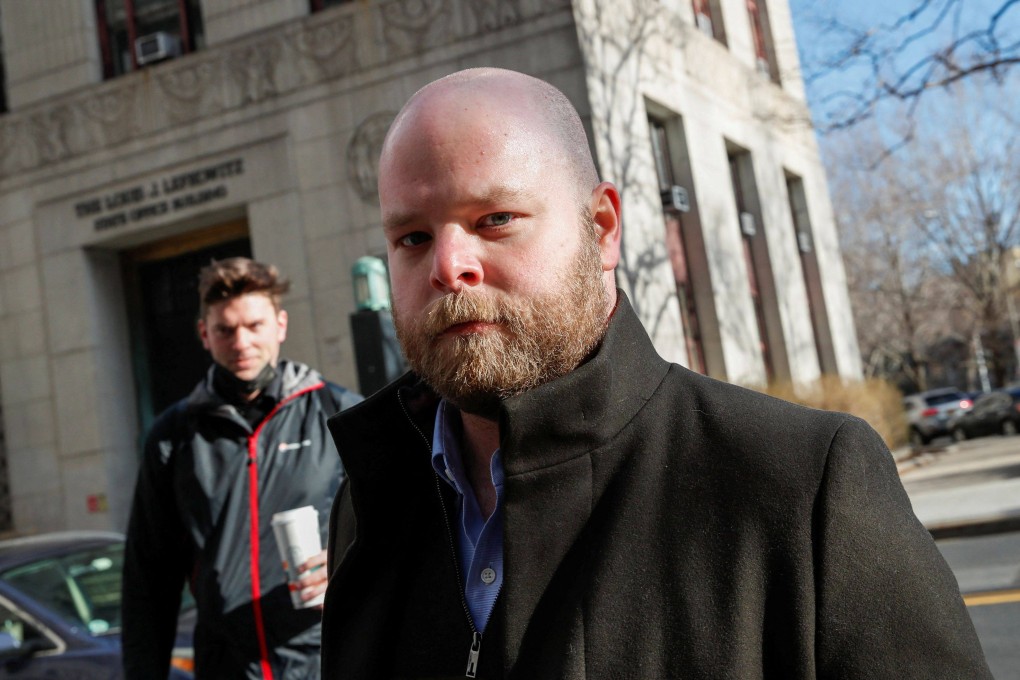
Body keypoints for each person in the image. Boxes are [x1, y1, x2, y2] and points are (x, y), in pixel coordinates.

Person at [320, 68, 992, 679]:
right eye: (412, 237)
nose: (448, 264)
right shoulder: (370, 501)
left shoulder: (801, 483)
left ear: (604, 228)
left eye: (495, 219)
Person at [122, 257, 362, 679]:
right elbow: (148, 576)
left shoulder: (339, 414)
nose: (242, 342)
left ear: (280, 325)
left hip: (327, 662)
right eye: (225, 330)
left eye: (254, 326)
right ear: (204, 335)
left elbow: (405, 532)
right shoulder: (174, 435)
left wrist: (348, 566)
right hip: (225, 666)